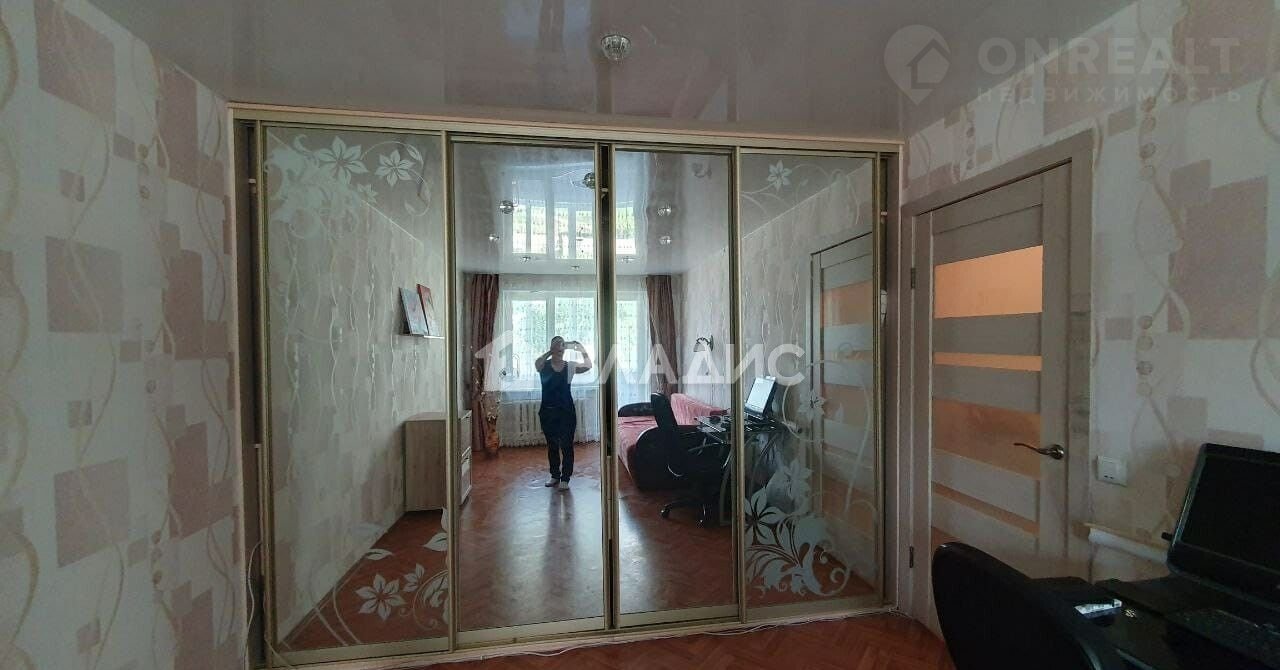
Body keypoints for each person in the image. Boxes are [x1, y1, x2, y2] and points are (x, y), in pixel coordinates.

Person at [535, 336, 591, 490]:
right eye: (556, 344)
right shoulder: (543, 365)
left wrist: (581, 349)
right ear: (552, 347)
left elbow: (588, 365)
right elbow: (537, 363)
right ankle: (555, 475)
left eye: (562, 345)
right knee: (552, 446)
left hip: (566, 412)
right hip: (547, 413)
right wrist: (549, 352)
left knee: (566, 446)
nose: (560, 347)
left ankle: (565, 478)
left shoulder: (569, 366)